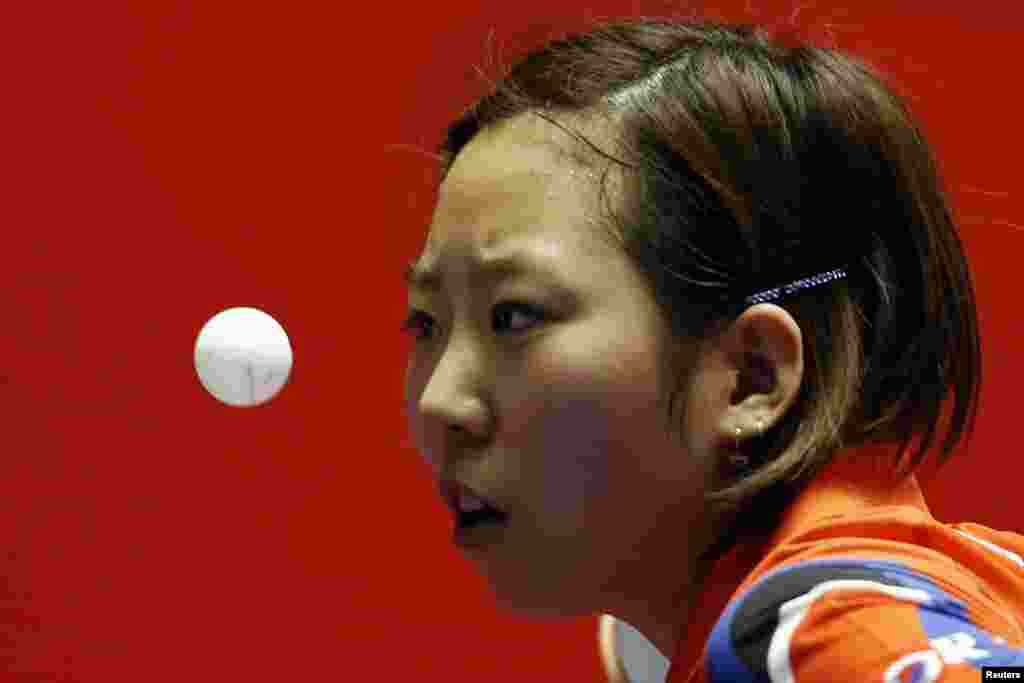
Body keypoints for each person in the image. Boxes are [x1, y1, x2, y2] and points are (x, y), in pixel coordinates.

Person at [400, 15, 1024, 682]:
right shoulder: (981, 579)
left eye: (514, 315)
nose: (439, 402)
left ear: (751, 377)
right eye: (424, 323)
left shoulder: (812, 633)